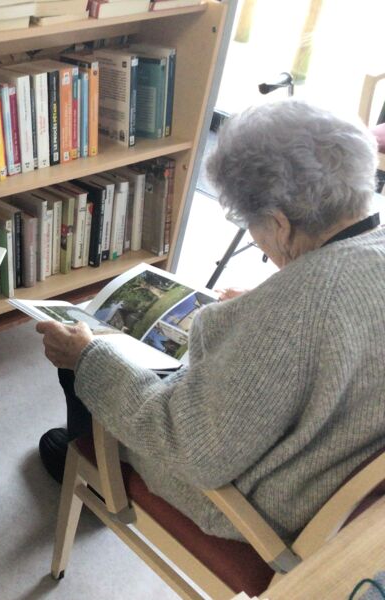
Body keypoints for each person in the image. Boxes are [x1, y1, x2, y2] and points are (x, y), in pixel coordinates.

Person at [35, 99, 385, 544]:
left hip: (262, 508)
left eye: (254, 228)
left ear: (279, 224)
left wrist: (89, 358)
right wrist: (265, 305)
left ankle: (99, 475)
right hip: (344, 478)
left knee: (80, 357)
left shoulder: (298, 307)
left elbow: (194, 451)